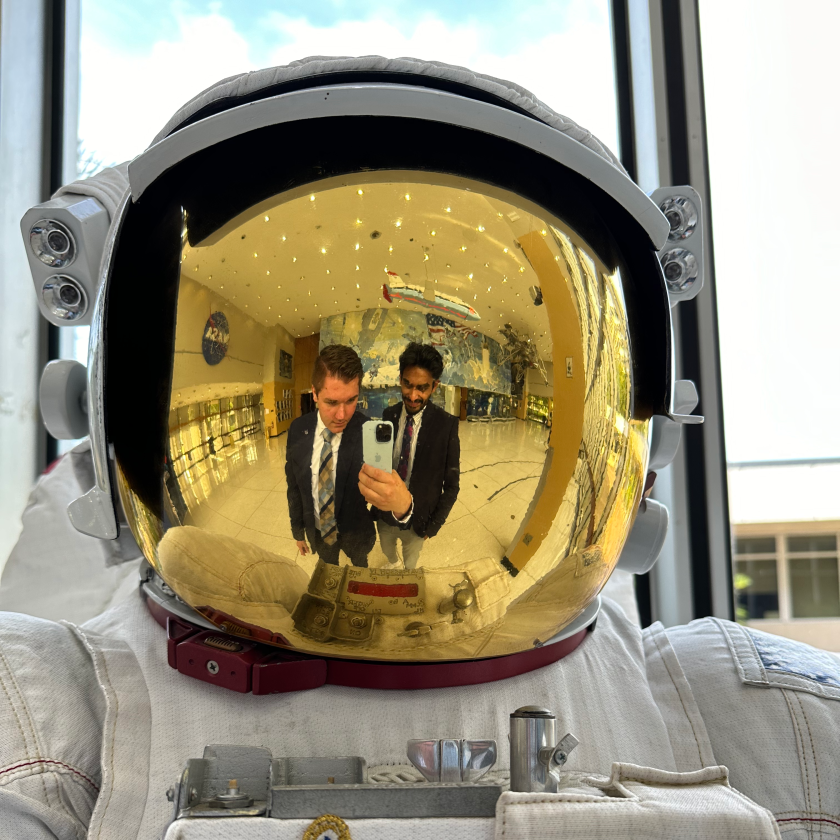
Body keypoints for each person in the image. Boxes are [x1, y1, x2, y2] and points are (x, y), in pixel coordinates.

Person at [0, 56, 836, 840]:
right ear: (111, 420)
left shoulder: (757, 712)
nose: (409, 399)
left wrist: (417, 514)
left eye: (423, 390)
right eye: (401, 387)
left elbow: (448, 489)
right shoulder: (43, 714)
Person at [361, 342, 460, 569]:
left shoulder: (446, 425)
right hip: (385, 512)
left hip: (419, 521)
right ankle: (393, 562)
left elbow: (452, 486)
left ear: (434, 386)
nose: (413, 395)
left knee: (411, 562)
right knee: (387, 549)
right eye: (407, 384)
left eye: (422, 388)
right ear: (400, 379)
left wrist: (434, 526)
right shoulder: (390, 414)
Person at [285, 344, 375, 567]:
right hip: (319, 530)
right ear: (314, 393)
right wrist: (298, 531)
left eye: (351, 400)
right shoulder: (297, 430)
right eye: (332, 402)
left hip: (356, 531)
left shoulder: (367, 430)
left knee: (360, 566)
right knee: (329, 572)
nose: (342, 415)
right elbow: (294, 487)